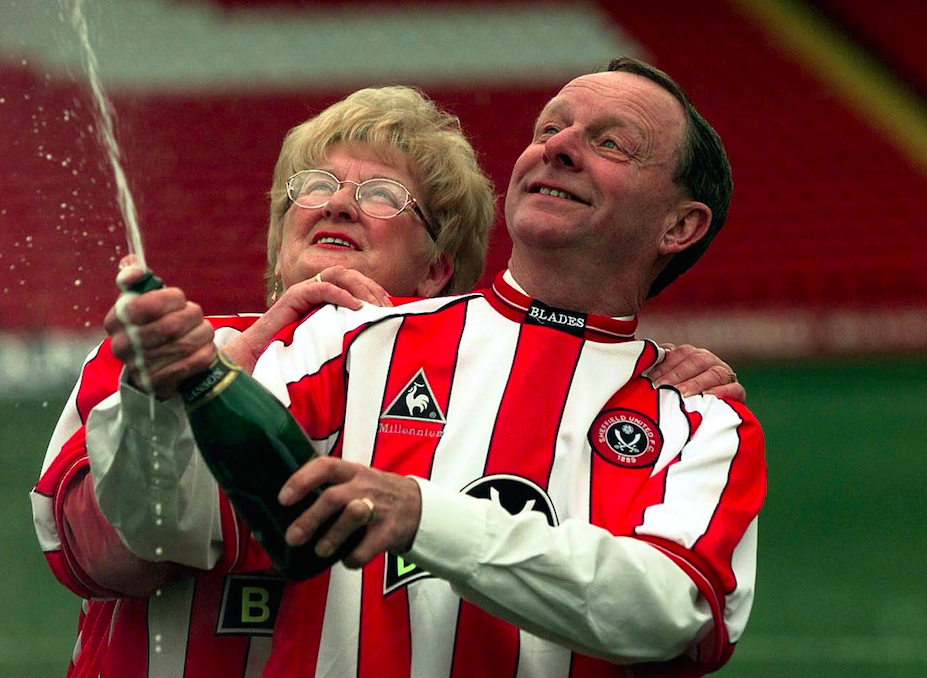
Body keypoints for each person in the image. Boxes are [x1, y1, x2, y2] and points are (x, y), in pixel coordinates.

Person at [31, 73, 752, 678]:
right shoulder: (338, 345)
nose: (558, 146)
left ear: (679, 226)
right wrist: (165, 392)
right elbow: (155, 534)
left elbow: (670, 613)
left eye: (608, 142)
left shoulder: (699, 414)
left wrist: (418, 512)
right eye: (548, 128)